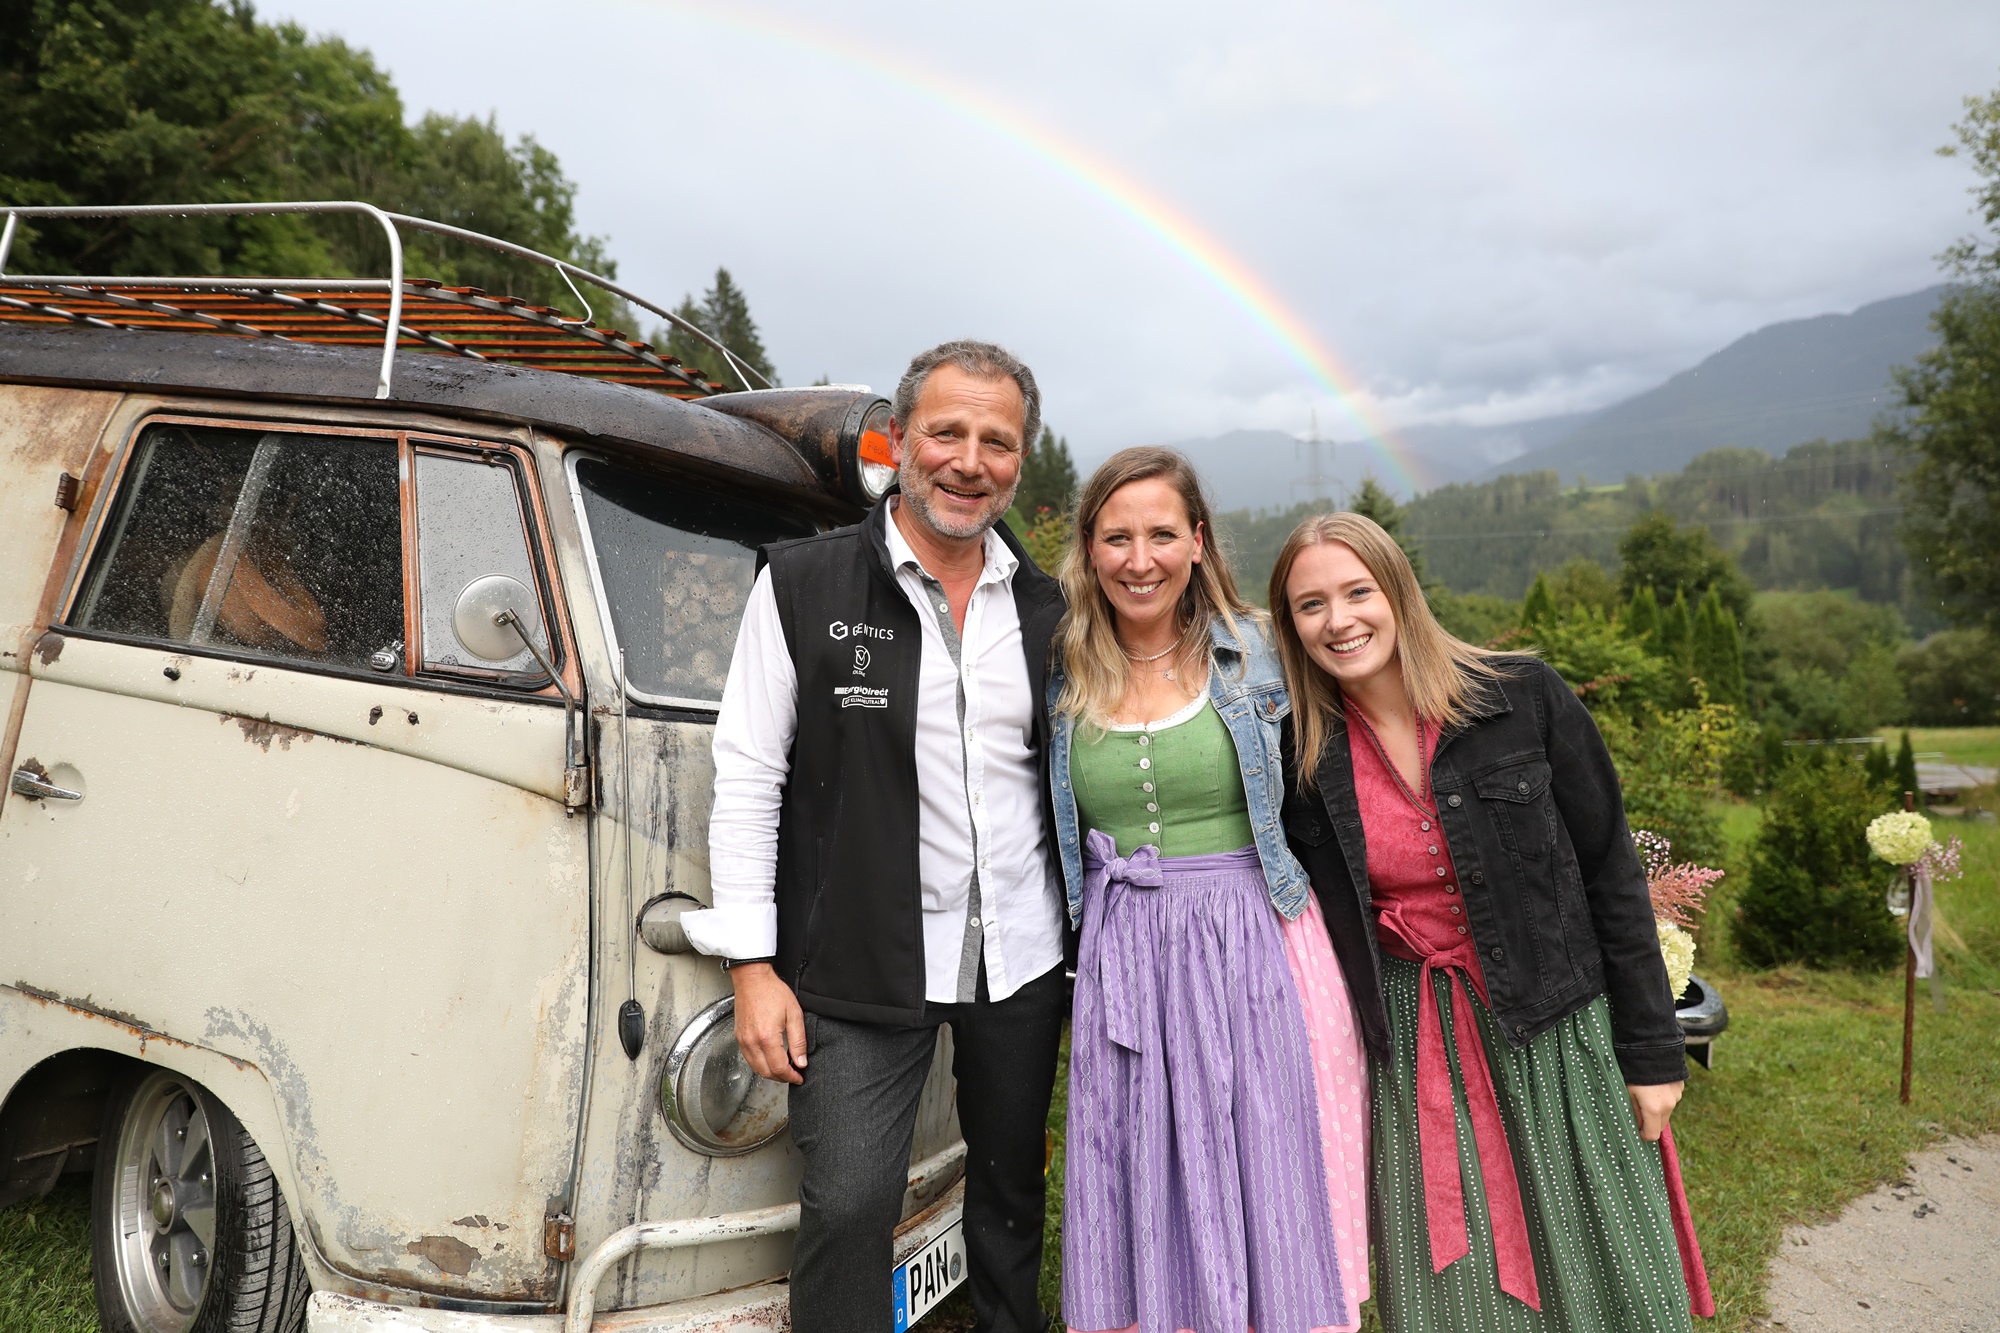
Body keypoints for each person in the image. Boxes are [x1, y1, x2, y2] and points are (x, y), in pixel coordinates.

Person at [681, 340, 1069, 1333]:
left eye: (996, 441)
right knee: (850, 1202)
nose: (969, 461)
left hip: (1017, 958)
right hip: (855, 958)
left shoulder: (1047, 608)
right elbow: (748, 775)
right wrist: (752, 966)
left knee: (1008, 1195)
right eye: (947, 432)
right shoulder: (803, 585)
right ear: (899, 438)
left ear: (1019, 460)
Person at [1269, 512, 1712, 1333]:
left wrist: (1654, 1052)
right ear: (1290, 625)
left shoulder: (1520, 696)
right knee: (1458, 1295)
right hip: (1416, 1048)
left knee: (1603, 1272)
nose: (1339, 620)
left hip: (1557, 1030)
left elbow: (1612, 873)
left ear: (1399, 592)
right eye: (1311, 604)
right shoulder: (1301, 753)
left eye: (1358, 592)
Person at [1049, 448, 1370, 1333]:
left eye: (1161, 534)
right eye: (1116, 537)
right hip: (1124, 948)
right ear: (1089, 547)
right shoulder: (1062, 665)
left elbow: (1367, 727)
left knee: (1265, 1152)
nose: (1139, 559)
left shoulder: (1261, 651)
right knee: (1139, 1155)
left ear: (1197, 540)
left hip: (1253, 938)